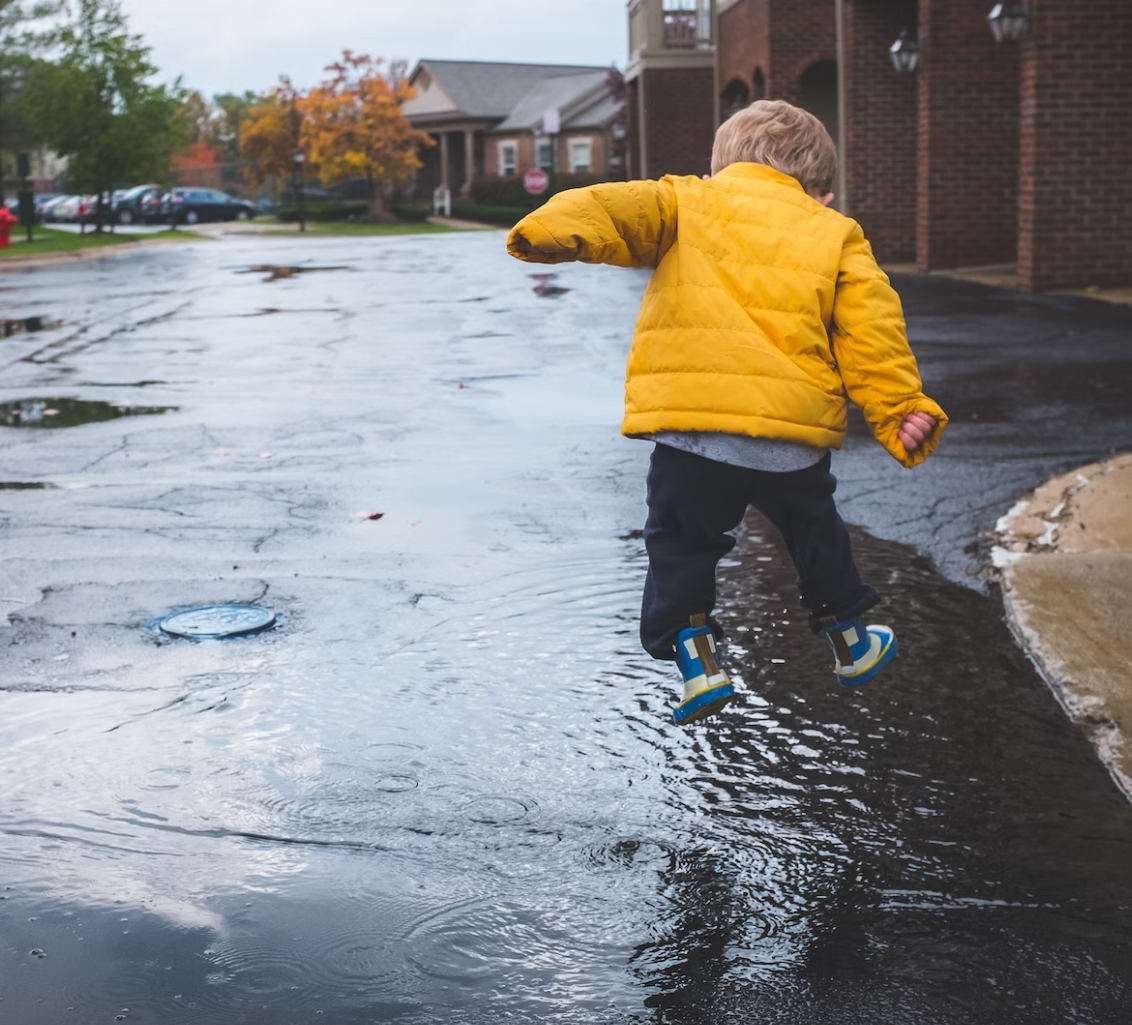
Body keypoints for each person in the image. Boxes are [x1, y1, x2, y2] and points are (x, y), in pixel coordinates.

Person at [506, 100, 946, 726]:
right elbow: (871, 332)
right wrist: (900, 408)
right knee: (816, 532)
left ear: (719, 166)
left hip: (693, 434)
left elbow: (610, 208)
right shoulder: (834, 231)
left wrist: (547, 230)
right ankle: (850, 639)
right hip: (788, 437)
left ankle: (697, 659)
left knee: (681, 543)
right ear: (818, 187)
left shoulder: (688, 201)